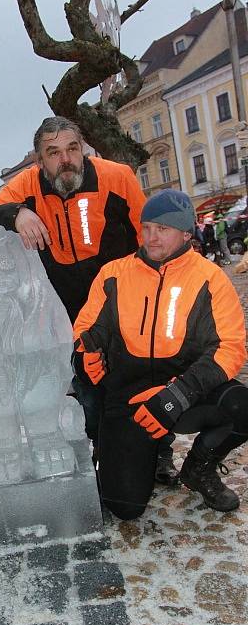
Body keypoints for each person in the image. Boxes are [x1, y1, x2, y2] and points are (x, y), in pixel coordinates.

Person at [0, 116, 146, 464]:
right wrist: (16, 214)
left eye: (72, 148)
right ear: (40, 161)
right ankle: (102, 453)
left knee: (137, 376)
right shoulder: (29, 185)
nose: (65, 159)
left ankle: (157, 452)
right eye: (53, 153)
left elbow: (147, 238)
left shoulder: (117, 177)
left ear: (82, 149)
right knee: (85, 383)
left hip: (119, 302)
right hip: (66, 309)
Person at [73, 189, 247, 519]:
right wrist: (84, 357)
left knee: (241, 405)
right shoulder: (114, 274)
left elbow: (229, 348)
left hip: (185, 391)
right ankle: (150, 452)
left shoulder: (210, 279)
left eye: (162, 229)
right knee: (123, 507)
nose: (151, 238)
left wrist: (177, 395)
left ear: (185, 233)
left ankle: (199, 468)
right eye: (147, 227)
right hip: (130, 398)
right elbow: (85, 331)